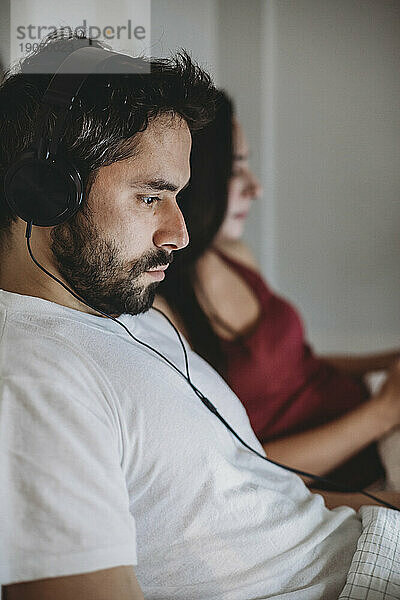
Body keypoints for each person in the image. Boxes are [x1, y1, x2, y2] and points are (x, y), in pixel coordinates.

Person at [1, 34, 399, 600]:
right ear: (43, 194)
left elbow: (260, 502)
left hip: (369, 543)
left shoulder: (125, 313)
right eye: (149, 197)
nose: (180, 234)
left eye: (178, 197)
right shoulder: (33, 382)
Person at [155, 90, 400, 489]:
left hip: (373, 411)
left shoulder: (234, 255)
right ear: (191, 178)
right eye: (236, 171)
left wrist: (390, 360)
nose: (256, 188)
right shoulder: (164, 315)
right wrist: (384, 412)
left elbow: (302, 368)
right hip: (360, 460)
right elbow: (242, 465)